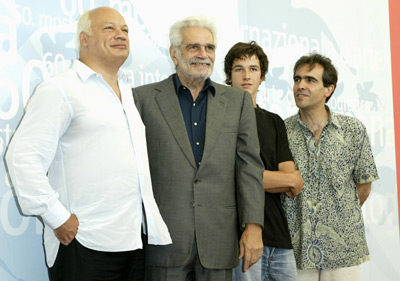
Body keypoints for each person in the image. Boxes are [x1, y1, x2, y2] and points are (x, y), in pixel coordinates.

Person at [5, 7, 171, 281]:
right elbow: (22, 157)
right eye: (110, 28)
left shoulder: (127, 93)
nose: (121, 35)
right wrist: (57, 217)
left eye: (125, 30)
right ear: (83, 39)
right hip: (85, 244)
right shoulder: (60, 89)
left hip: (133, 244)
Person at [132, 16, 265, 281]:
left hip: (218, 240)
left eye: (210, 48)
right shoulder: (142, 99)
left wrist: (253, 226)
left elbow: (249, 167)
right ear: (174, 52)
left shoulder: (238, 102)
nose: (203, 55)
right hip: (164, 242)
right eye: (193, 47)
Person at [282, 53, 379, 281]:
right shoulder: (281, 131)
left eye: (310, 80)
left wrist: (335, 219)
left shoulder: (353, 130)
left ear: (329, 89)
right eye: (297, 79)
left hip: (343, 250)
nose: (300, 86)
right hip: (296, 249)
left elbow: (364, 186)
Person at [224, 41, 304, 281]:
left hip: (279, 237)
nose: (246, 75)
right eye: (239, 69)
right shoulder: (221, 120)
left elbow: (295, 184)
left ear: (262, 76)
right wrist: (280, 178)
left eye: (253, 69)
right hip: (240, 238)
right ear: (229, 76)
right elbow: (229, 177)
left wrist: (251, 178)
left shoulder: (274, 121)